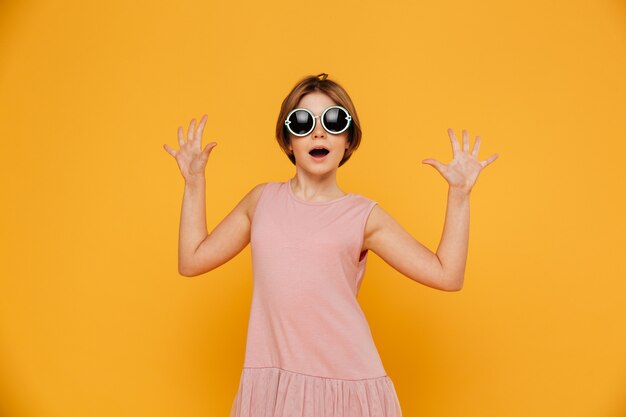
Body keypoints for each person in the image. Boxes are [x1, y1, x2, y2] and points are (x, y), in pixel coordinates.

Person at [163, 73, 498, 417]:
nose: (319, 132)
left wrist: (459, 196)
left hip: (347, 387)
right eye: (303, 121)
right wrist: (194, 183)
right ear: (288, 140)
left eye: (334, 121)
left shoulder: (363, 216)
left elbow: (447, 275)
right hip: (275, 391)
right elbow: (191, 261)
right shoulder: (260, 201)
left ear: (349, 141)